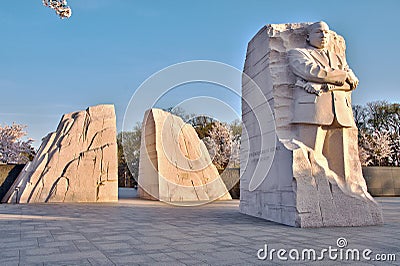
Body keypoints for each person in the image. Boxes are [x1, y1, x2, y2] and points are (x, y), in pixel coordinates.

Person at [288, 21, 369, 198]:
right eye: (319, 32)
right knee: (310, 160)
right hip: (312, 113)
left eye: (326, 32)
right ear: (308, 36)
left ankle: (343, 197)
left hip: (340, 113)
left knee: (342, 166)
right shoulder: (298, 53)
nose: (324, 35)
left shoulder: (338, 58)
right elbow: (312, 71)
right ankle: (312, 198)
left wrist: (328, 85)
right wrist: (343, 75)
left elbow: (351, 85)